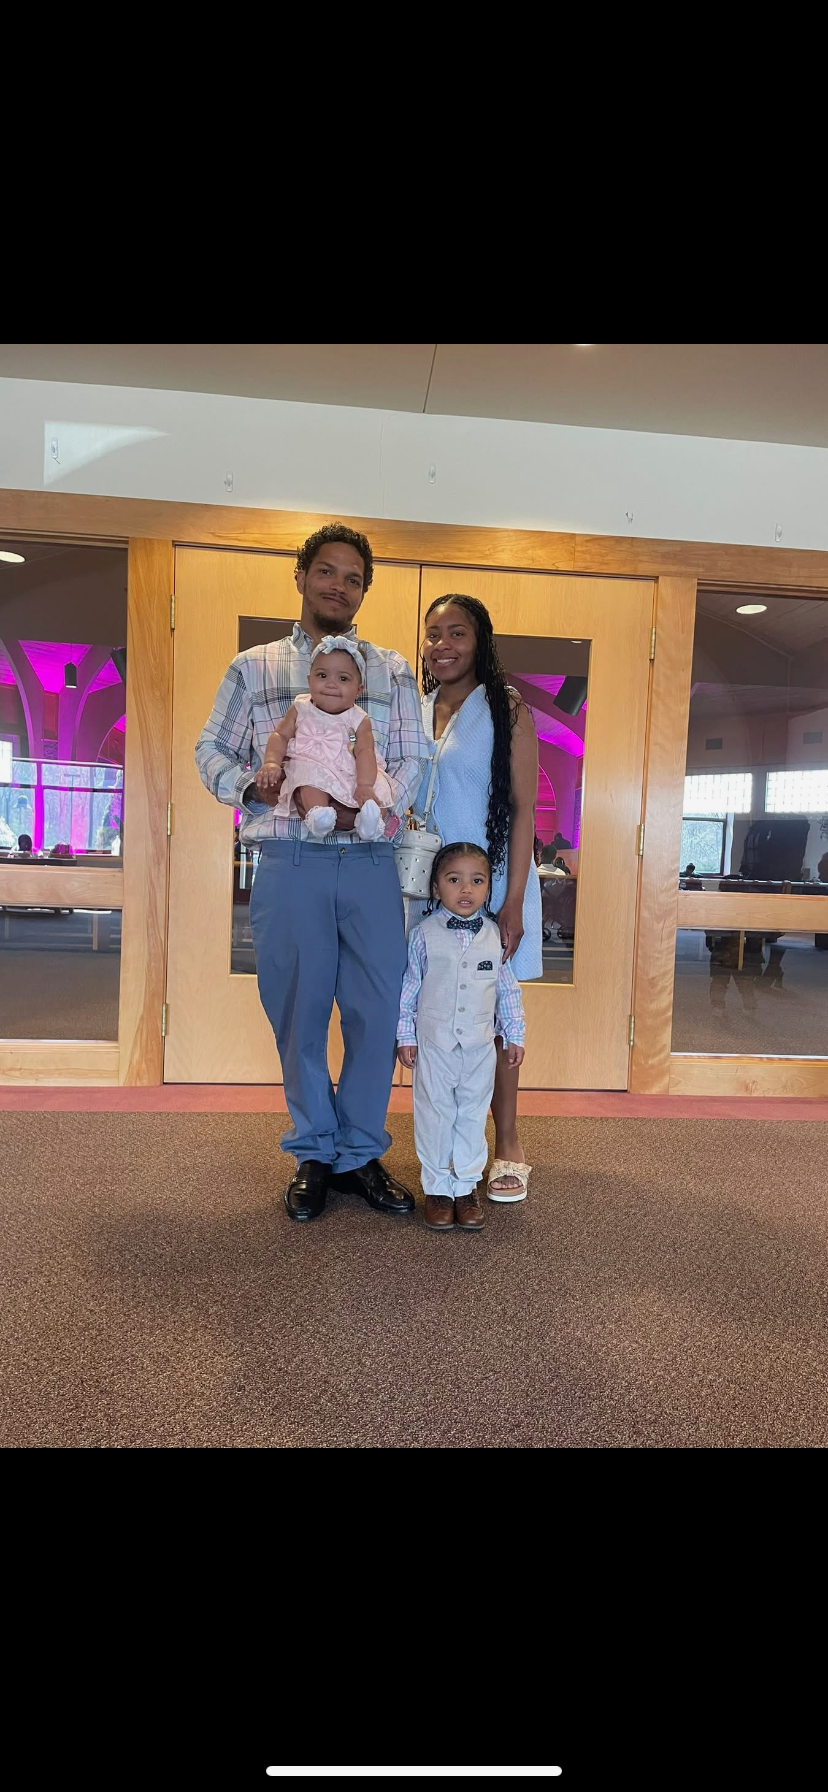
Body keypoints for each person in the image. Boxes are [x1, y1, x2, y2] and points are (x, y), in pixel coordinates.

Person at [195, 522, 428, 1223]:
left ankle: (359, 1152)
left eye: (354, 578)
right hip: (290, 858)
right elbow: (212, 748)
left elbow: (412, 758)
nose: (338, 586)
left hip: (369, 861)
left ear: (364, 591)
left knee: (374, 1010)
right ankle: (314, 1150)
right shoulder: (254, 667)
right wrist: (255, 787)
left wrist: (370, 812)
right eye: (326, 571)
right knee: (298, 1011)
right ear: (301, 576)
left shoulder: (390, 670)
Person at [412, 592, 541, 1203]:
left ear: (480, 640)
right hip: (429, 888)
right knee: (441, 1009)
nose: (442, 645)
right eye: (433, 634)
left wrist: (511, 901)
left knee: (492, 1016)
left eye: (457, 632)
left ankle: (507, 1141)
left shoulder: (505, 707)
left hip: (493, 885)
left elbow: (523, 809)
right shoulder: (416, 709)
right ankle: (445, 1143)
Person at [398, 843, 525, 1230]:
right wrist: (406, 1036)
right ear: (436, 887)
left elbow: (507, 991)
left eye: (477, 881)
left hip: (479, 1048)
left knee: (471, 1115)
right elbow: (409, 988)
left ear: (488, 888)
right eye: (454, 880)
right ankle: (438, 1189)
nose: (466, 889)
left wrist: (515, 1034)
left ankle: (466, 1186)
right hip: (434, 1044)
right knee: (434, 1114)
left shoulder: (495, 937)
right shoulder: (423, 935)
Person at [257, 636, 394, 841]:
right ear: (309, 680)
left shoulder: (359, 719)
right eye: (322, 675)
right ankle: (318, 816)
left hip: (353, 771)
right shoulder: (300, 708)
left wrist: (365, 785)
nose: (331, 684)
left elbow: (365, 751)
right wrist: (271, 762)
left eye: (343, 679)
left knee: (379, 784)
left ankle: (371, 822)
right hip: (312, 763)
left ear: (359, 690)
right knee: (308, 777)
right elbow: (281, 735)